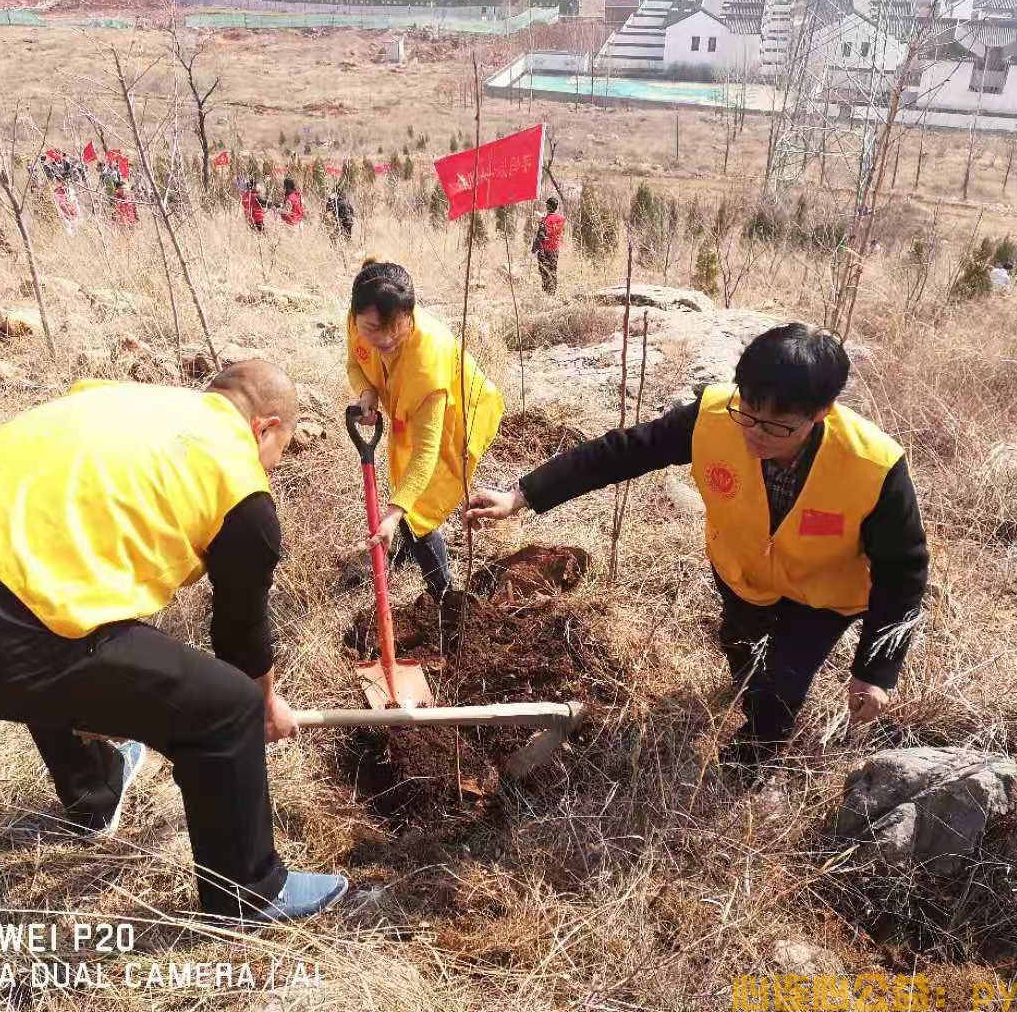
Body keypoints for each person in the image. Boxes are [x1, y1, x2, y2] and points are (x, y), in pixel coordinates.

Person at [0, 362, 348, 923]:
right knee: (225, 707)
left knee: (67, 605)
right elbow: (240, 638)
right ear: (266, 427)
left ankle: (97, 790)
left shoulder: (120, 398)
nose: (272, 467)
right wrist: (263, 706)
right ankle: (250, 894)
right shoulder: (240, 485)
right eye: (279, 451)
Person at [466, 324, 928, 769]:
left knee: (780, 686)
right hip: (741, 572)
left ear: (821, 412)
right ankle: (748, 688)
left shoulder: (872, 465)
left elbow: (903, 572)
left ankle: (754, 758)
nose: (753, 433)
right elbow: (621, 452)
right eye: (747, 411)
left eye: (776, 427)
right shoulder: (713, 416)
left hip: (823, 595)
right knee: (741, 647)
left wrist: (875, 671)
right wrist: (522, 496)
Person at [347, 260, 504, 601]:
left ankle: (443, 591)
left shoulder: (427, 362)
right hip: (410, 407)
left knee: (416, 506)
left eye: (395, 329)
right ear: (356, 314)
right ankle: (406, 540)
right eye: (372, 328)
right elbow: (355, 364)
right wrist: (368, 391)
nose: (384, 339)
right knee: (402, 492)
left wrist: (391, 515)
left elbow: (425, 456)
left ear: (410, 315)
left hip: (459, 412)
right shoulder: (360, 320)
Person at [531, 196, 566, 294]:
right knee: (553, 270)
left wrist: (534, 250)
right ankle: (553, 292)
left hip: (544, 249)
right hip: (555, 248)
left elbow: (541, 236)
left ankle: (546, 292)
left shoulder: (544, 220)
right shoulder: (562, 218)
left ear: (548, 206)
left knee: (544, 271)